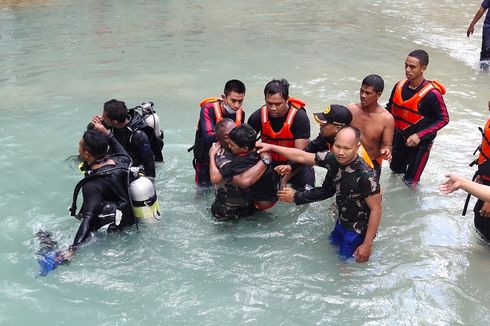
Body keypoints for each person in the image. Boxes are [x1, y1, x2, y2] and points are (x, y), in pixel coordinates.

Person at [257, 126, 382, 263]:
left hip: (357, 231)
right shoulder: (333, 159)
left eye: (346, 148)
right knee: (332, 249)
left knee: (345, 266)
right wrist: (272, 147)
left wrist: (367, 245)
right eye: (337, 146)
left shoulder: (366, 176)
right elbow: (302, 156)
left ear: (357, 146)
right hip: (342, 221)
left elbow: (376, 210)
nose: (340, 152)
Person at [63, 126, 136, 260]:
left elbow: (88, 219)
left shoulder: (92, 185)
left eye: (80, 146)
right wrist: (107, 133)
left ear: (86, 154)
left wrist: (73, 249)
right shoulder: (121, 162)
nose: (78, 148)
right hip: (131, 221)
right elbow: (122, 152)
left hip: (111, 236)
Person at [386, 49, 449, 187]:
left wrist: (419, 135)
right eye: (406, 65)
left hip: (421, 145)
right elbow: (389, 109)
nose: (407, 70)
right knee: (395, 172)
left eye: (412, 67)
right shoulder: (399, 86)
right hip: (400, 139)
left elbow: (444, 118)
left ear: (423, 68)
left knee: (410, 183)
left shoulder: (432, 94)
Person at [248, 78, 314, 190]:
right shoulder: (257, 117)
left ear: (287, 100)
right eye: (269, 103)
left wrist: (285, 178)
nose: (273, 108)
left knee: (306, 195)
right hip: (270, 163)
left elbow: (301, 155)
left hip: (296, 165)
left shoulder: (299, 118)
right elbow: (245, 146)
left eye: (278, 104)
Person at [210, 124, 277, 218]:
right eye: (227, 138)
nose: (229, 145)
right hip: (260, 200)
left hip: (256, 203)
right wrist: (265, 161)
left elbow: (215, 178)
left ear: (245, 148)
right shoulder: (260, 151)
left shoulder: (241, 160)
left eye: (232, 144)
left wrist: (211, 155)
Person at [191, 79, 246, 190]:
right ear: (224, 97)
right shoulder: (208, 109)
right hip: (205, 161)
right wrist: (233, 136)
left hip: (226, 163)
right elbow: (208, 136)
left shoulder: (241, 114)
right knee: (202, 192)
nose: (237, 105)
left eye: (240, 101)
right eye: (233, 100)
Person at [90, 99, 156, 178]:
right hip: (117, 158)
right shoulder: (113, 124)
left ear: (114, 122)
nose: (102, 118)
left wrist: (150, 182)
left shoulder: (138, 136)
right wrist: (92, 125)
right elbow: (91, 139)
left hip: (132, 166)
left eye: (104, 117)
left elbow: (149, 163)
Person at [347, 74, 394, 179]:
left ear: (378, 95)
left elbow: (387, 145)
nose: (363, 95)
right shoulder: (351, 109)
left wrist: (386, 151)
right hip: (348, 160)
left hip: (371, 164)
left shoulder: (386, 119)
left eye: (368, 93)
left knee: (370, 195)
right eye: (362, 91)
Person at [467, 1, 490, 69]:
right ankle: (482, 73)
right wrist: (472, 24)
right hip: (488, 26)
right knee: (486, 50)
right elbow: (482, 9)